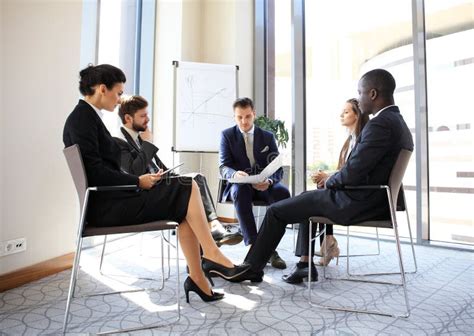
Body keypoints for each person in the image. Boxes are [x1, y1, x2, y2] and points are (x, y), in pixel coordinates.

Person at [63, 64, 250, 302]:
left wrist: (141, 180)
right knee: (187, 187)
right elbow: (97, 173)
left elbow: (103, 170)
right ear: (102, 89)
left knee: (185, 201)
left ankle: (198, 278)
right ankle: (211, 254)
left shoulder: (88, 118)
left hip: (113, 200)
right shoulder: (82, 120)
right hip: (107, 207)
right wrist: (138, 182)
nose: (120, 99)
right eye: (118, 93)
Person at [231, 68, 414, 283]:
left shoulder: (380, 124)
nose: (359, 97)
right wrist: (332, 181)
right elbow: (362, 169)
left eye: (361, 92)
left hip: (357, 201)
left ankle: (252, 267)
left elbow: (353, 172)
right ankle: (304, 265)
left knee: (276, 211)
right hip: (375, 199)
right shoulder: (398, 122)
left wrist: (330, 180)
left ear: (373, 94)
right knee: (306, 201)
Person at [114, 95, 243, 247]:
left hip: (160, 187)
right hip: (144, 198)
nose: (147, 119)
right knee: (190, 192)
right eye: (142, 116)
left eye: (147, 115)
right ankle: (212, 235)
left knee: (195, 180)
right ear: (128, 118)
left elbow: (161, 169)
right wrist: (148, 143)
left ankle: (211, 237)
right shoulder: (118, 141)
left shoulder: (139, 139)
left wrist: (177, 177)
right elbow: (134, 173)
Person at [283, 98, 369, 283]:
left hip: (354, 196)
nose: (341, 115)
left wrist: (328, 177)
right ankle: (327, 241)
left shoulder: (362, 140)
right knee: (320, 186)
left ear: (357, 115)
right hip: (347, 189)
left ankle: (318, 250)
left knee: (311, 200)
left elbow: (354, 172)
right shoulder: (350, 140)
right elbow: (347, 170)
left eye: (346, 112)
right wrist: (326, 176)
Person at [219, 97, 291, 269]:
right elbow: (223, 167)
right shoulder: (227, 135)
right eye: (239, 117)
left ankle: (269, 247)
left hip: (264, 184)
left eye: (248, 116)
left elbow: (277, 167)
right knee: (240, 191)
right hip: (240, 185)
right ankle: (254, 247)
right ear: (234, 117)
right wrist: (235, 173)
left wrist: (270, 180)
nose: (244, 121)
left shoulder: (267, 137)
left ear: (254, 115)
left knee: (283, 194)